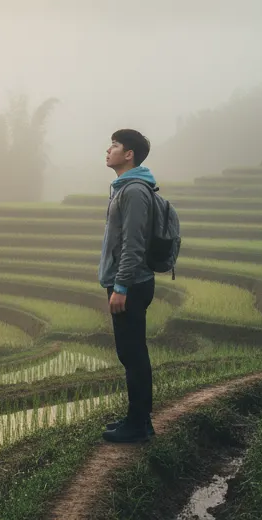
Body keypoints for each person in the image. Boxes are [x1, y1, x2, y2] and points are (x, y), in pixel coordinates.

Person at [99, 128, 157, 443]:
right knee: (132, 352)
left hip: (131, 284)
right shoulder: (125, 187)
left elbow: (132, 244)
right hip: (129, 281)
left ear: (129, 154)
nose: (108, 150)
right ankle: (139, 420)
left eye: (115, 145)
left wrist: (120, 286)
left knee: (132, 353)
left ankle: (137, 425)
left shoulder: (133, 191)